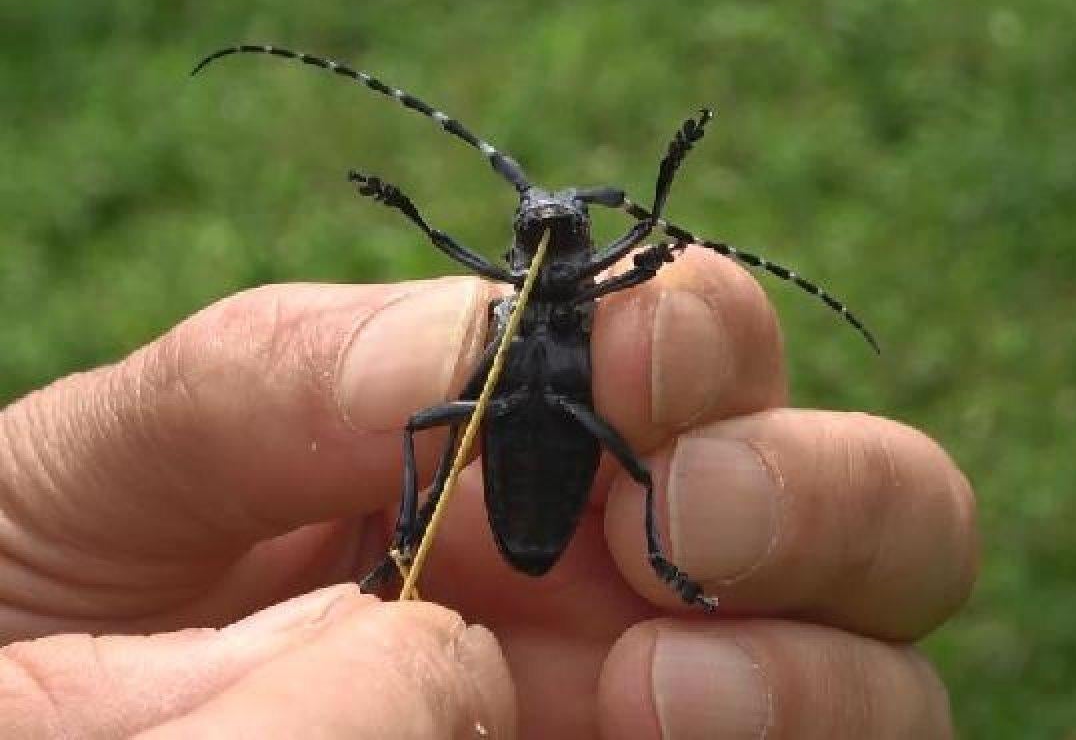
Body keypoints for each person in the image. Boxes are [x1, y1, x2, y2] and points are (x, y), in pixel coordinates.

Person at [0, 250, 975, 738]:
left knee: (637, 465)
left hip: (548, 470)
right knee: (428, 422)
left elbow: (646, 255)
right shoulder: (514, 305)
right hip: (524, 461)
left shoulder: (593, 296)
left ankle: (664, 553)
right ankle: (413, 533)